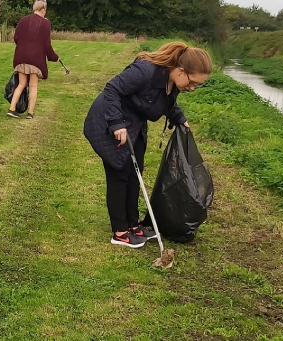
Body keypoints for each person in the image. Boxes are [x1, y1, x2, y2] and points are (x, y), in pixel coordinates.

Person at [83, 41, 212, 248]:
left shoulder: (171, 81)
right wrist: (116, 123)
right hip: (109, 122)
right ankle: (120, 232)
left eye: (197, 85)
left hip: (134, 125)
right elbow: (112, 89)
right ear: (180, 70)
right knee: (120, 175)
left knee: (135, 175)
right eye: (192, 82)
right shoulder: (145, 71)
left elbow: (167, 103)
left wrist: (179, 118)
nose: (192, 88)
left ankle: (133, 225)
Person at [7, 0, 59, 119]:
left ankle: (12, 109)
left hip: (21, 58)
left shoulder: (23, 20)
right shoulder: (45, 24)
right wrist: (54, 57)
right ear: (43, 9)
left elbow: (16, 38)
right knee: (33, 85)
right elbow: (47, 45)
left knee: (21, 84)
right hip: (35, 60)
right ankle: (30, 113)